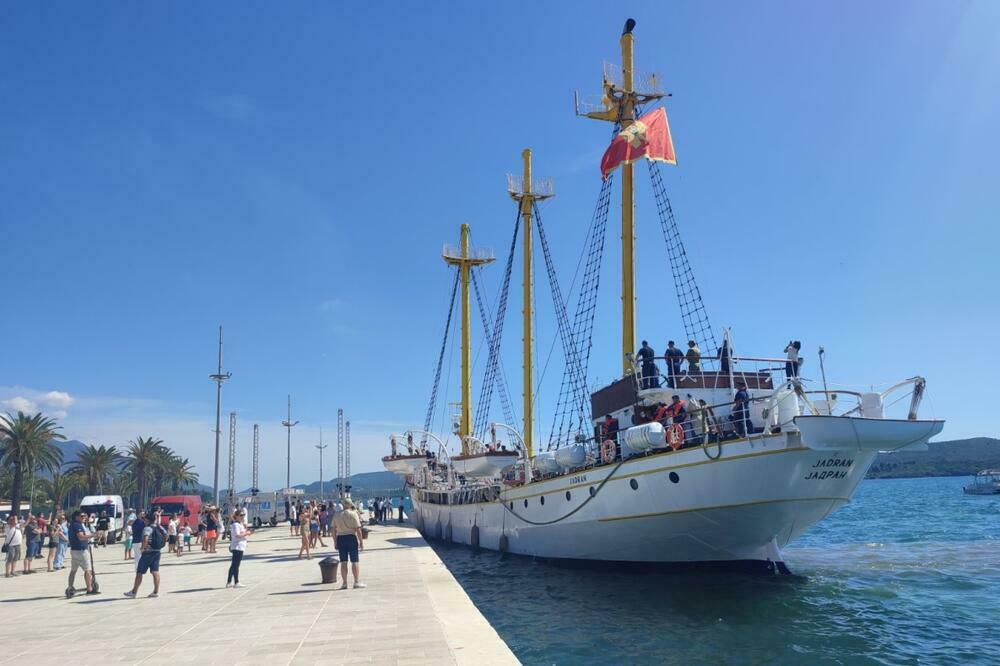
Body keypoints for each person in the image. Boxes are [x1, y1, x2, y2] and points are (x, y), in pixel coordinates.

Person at [124, 515, 166, 598]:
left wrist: (143, 548)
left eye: (145, 519)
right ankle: (156, 591)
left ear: (147, 520)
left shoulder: (147, 528)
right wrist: (161, 544)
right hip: (157, 551)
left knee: (139, 572)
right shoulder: (159, 527)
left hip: (148, 553)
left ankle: (134, 592)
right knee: (155, 571)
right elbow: (166, 535)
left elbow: (146, 538)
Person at [333, 499, 366, 589]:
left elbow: (333, 529)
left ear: (343, 505)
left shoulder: (336, 515)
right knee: (354, 561)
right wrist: (361, 542)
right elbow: (358, 529)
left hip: (341, 538)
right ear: (350, 504)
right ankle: (356, 582)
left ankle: (344, 583)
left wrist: (335, 541)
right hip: (351, 537)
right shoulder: (353, 514)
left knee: (343, 562)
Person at [67, 511, 97, 594]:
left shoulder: (72, 524)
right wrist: (93, 535)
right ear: (76, 517)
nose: (84, 517)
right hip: (81, 550)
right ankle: (89, 589)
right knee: (88, 570)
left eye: (84, 516)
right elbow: (81, 537)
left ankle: (70, 586)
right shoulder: (77, 525)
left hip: (74, 550)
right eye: (82, 516)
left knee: (73, 570)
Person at [226, 509, 253, 588]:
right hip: (237, 546)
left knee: (234, 565)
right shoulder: (235, 525)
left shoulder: (240, 524)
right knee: (236, 565)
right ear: (236, 516)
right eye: (241, 515)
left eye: (243, 515)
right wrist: (246, 533)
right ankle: (236, 582)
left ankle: (229, 582)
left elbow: (242, 533)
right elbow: (237, 535)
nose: (242, 517)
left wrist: (247, 531)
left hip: (240, 546)